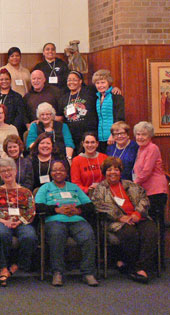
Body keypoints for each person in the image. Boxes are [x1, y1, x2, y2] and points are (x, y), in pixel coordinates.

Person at [91, 157, 157, 283]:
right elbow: (99, 205)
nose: (113, 172)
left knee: (151, 232)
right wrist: (120, 216)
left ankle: (140, 267)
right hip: (117, 222)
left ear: (120, 171)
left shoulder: (131, 185)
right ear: (104, 172)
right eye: (109, 170)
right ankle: (134, 267)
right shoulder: (100, 188)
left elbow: (144, 199)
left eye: (116, 169)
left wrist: (137, 213)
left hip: (139, 218)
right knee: (130, 234)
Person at [35, 160, 98, 287]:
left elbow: (90, 206)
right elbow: (37, 206)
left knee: (88, 235)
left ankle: (88, 273)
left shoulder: (74, 187)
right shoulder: (45, 188)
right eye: (55, 170)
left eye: (61, 169)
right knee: (57, 235)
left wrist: (78, 210)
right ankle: (57, 272)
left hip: (76, 219)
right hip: (55, 220)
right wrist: (56, 209)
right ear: (51, 173)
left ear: (66, 172)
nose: (58, 172)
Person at [0, 157, 37, 287]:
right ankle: (3, 267)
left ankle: (17, 265)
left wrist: (19, 222)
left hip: (21, 221)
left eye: (9, 170)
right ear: (0, 174)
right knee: (2, 234)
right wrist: (3, 221)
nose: (7, 173)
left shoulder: (26, 191)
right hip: (1, 221)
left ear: (15, 171)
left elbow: (31, 211)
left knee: (29, 236)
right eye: (3, 171)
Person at [132, 121, 168, 264]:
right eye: (138, 134)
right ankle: (151, 261)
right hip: (146, 191)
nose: (140, 137)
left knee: (156, 226)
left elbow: (146, 171)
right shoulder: (141, 149)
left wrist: (133, 185)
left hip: (156, 191)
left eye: (144, 134)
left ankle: (158, 261)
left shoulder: (153, 148)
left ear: (150, 135)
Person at [56, 71, 98, 147]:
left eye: (74, 80)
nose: (71, 82)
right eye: (69, 80)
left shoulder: (90, 92)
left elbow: (103, 90)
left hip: (89, 136)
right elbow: (60, 116)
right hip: (72, 136)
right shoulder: (63, 98)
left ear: (80, 81)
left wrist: (113, 89)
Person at [94, 69, 125, 149]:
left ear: (109, 83)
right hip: (100, 138)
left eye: (103, 82)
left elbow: (120, 117)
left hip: (113, 137)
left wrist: (113, 134)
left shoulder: (116, 96)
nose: (100, 85)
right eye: (97, 83)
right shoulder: (97, 97)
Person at [0, 69, 27, 135]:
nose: (4, 81)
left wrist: (11, 129)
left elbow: (20, 116)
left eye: (6, 79)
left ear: (10, 80)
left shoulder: (17, 97)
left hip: (11, 131)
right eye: (1, 79)